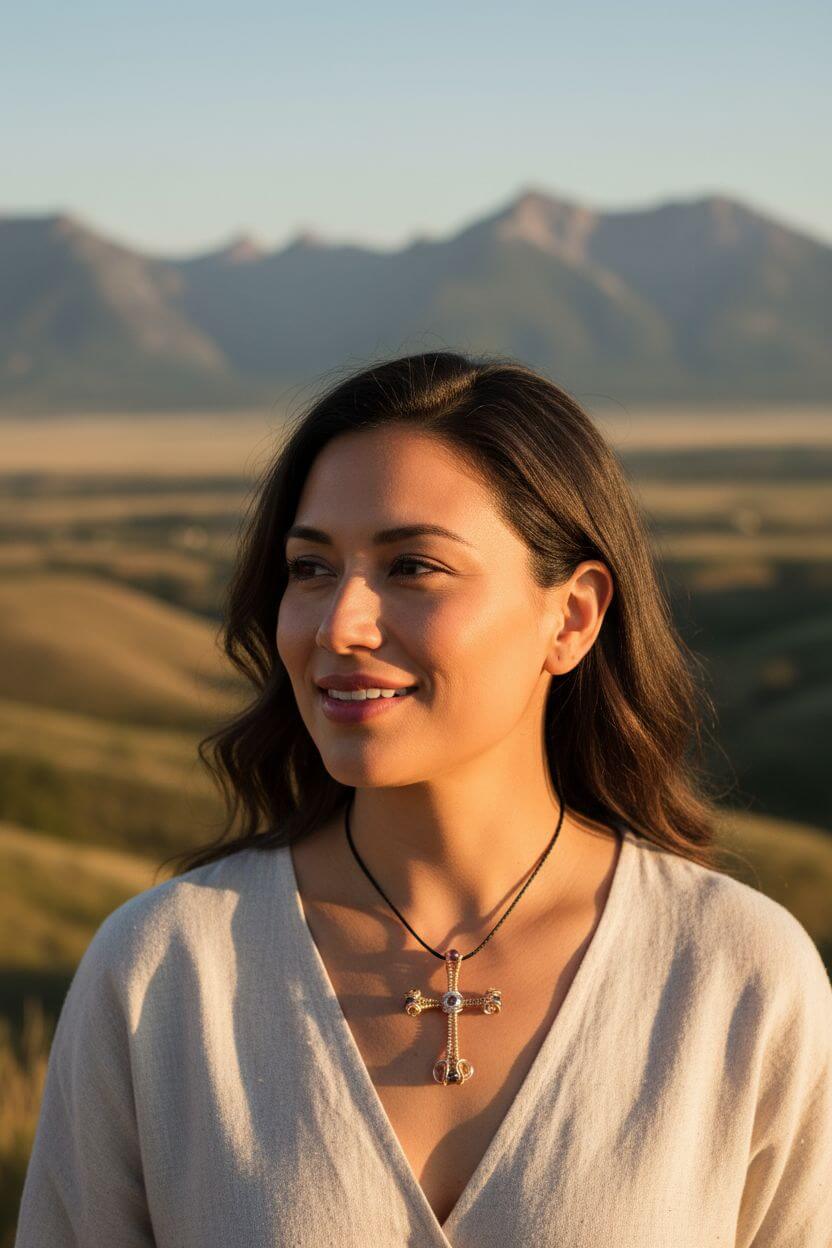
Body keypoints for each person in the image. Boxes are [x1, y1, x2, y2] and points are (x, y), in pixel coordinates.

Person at [15, 351, 832, 1247]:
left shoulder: (733, 974)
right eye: (310, 568)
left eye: (413, 567)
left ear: (572, 617)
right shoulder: (167, 972)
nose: (339, 625)